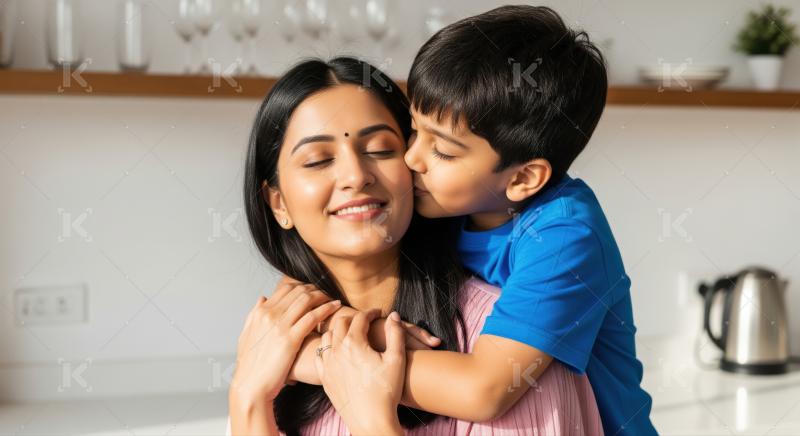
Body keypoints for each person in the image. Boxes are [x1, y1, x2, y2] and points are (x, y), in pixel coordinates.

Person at [227, 56, 602, 435]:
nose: (355, 176)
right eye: (318, 159)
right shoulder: (274, 349)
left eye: (379, 149)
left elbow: (484, 391)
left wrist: (367, 412)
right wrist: (247, 399)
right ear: (277, 203)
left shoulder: (513, 353)